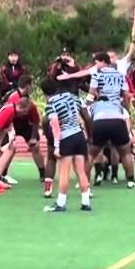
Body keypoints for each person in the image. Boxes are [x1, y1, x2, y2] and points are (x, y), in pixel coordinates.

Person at [86, 52, 135, 190]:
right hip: (117, 114)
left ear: (103, 62)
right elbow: (126, 95)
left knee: (92, 152)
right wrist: (125, 109)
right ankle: (131, 181)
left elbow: (91, 92)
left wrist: (89, 106)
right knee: (125, 151)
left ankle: (84, 181)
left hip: (100, 116)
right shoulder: (121, 75)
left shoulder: (97, 74)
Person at [41, 78, 93, 213]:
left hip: (66, 137)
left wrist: (57, 146)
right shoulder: (73, 97)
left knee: (64, 172)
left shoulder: (50, 104)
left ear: (45, 93)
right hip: (79, 135)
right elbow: (85, 114)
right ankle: (86, 202)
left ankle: (61, 203)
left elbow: (56, 126)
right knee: (81, 171)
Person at [0, 76, 45, 188]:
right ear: (27, 86)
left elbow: (36, 120)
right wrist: (10, 132)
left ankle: (43, 173)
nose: (32, 88)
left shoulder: (28, 101)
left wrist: (33, 137)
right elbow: (7, 114)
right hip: (10, 124)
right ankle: (1, 174)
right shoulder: (13, 97)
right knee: (9, 147)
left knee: (35, 146)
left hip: (25, 124)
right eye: (31, 86)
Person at [0, 94, 41, 195]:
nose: (25, 114)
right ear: (21, 107)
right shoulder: (9, 110)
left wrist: (11, 132)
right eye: (25, 111)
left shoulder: (14, 110)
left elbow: (7, 123)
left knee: (9, 147)